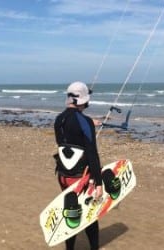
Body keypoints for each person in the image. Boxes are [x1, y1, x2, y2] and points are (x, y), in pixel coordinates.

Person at [54, 81, 103, 250]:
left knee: (72, 211)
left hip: (62, 175)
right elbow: (91, 153)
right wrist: (98, 182)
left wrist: (90, 123)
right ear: (84, 101)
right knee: (90, 215)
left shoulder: (59, 119)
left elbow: (67, 141)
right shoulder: (85, 121)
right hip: (80, 177)